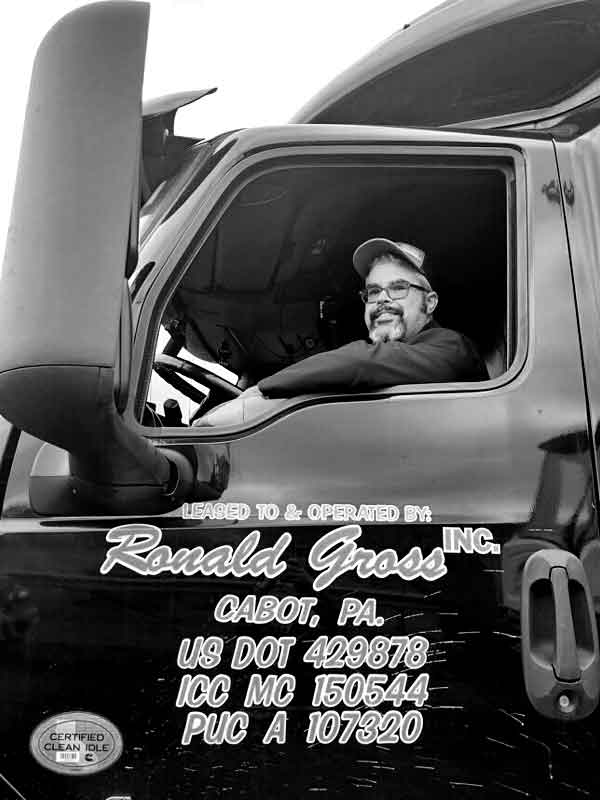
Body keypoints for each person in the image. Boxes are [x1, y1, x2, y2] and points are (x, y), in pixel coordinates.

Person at [255, 238, 488, 398]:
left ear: (430, 302)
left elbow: (362, 362)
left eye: (398, 288)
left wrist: (259, 393)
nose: (382, 300)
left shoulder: (453, 348)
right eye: (374, 292)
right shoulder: (390, 368)